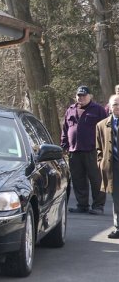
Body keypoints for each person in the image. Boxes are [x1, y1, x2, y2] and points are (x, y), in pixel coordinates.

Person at [61, 85, 107, 215]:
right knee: (78, 179)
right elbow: (65, 129)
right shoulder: (70, 110)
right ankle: (82, 205)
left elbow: (105, 129)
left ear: (90, 96)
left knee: (96, 179)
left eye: (84, 95)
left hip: (92, 150)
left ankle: (98, 206)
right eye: (79, 95)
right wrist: (64, 145)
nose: (81, 98)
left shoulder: (98, 110)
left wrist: (104, 147)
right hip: (74, 150)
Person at [96, 94, 119, 239]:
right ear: (110, 107)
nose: (117, 107)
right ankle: (117, 228)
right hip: (112, 167)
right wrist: (101, 163)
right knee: (116, 199)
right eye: (115, 104)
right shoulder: (101, 125)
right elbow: (99, 148)